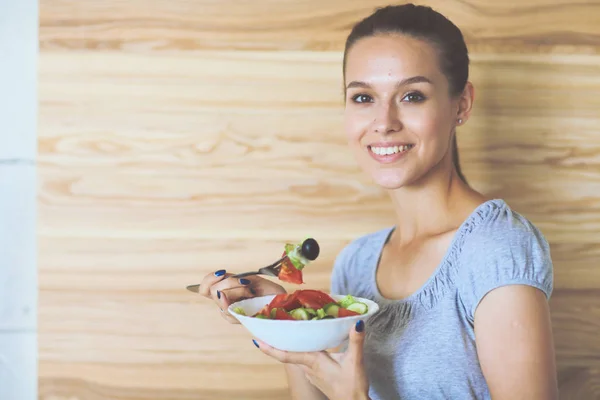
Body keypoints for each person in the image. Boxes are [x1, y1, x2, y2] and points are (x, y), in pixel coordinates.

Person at [196, 4, 558, 399]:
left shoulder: (494, 248)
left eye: (413, 96)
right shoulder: (358, 262)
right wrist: (284, 313)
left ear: (462, 105)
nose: (383, 122)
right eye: (364, 97)